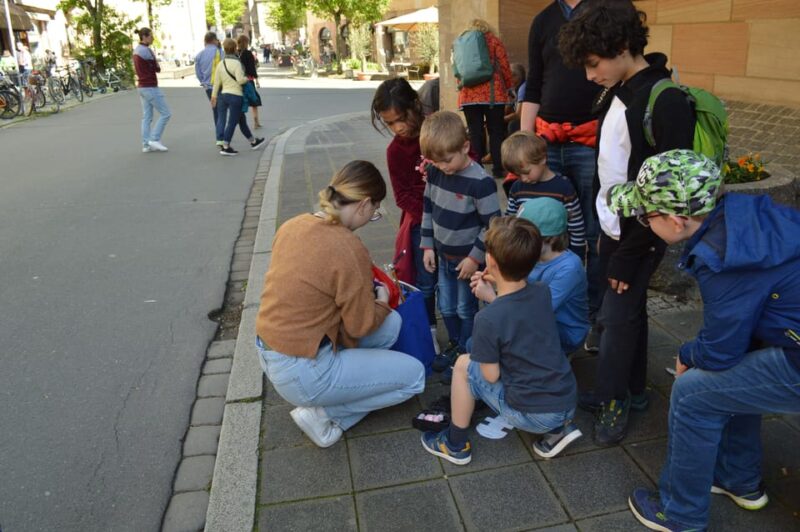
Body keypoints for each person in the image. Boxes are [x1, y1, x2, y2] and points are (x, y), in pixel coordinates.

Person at [602, 150, 800, 531]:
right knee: (737, 375)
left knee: (694, 393)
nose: (642, 222)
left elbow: (719, 350)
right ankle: (738, 479)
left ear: (677, 221)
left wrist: (687, 353)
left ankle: (681, 513)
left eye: (645, 216)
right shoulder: (743, 216)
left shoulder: (723, 258)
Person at [558, 0, 695, 445]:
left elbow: (661, 194)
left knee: (615, 317)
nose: (588, 74)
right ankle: (633, 391)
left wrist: (626, 254)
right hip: (616, 227)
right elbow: (613, 168)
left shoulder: (664, 99)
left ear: (621, 47)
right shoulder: (619, 90)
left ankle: (613, 398)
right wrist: (605, 234)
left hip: (640, 233)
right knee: (627, 311)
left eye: (593, 63)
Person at [255, 160, 426, 448]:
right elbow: (359, 324)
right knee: (415, 377)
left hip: (273, 351)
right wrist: (382, 302)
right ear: (364, 204)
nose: (371, 217)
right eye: (374, 213)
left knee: (392, 325)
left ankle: (336, 388)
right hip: (304, 370)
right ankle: (323, 414)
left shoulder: (293, 224)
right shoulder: (348, 245)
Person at [421, 216, 581, 464]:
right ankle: (556, 433)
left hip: (534, 414)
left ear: (490, 261)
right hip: (567, 402)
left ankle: (454, 443)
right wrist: (497, 291)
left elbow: (491, 376)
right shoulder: (542, 291)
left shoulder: (488, 318)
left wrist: (491, 299)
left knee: (464, 364)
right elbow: (518, 312)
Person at [520, 0, 603, 351]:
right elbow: (534, 84)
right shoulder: (542, 20)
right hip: (546, 142)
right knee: (542, 226)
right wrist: (524, 143)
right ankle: (545, 307)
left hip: (590, 138)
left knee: (593, 232)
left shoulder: (606, 9)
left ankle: (594, 317)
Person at [420, 111, 501, 366]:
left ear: (465, 147)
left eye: (447, 160)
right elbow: (428, 208)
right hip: (443, 254)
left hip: (467, 260)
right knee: (446, 305)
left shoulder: (481, 182)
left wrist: (473, 258)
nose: (443, 166)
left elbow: (493, 225)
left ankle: (466, 349)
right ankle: (455, 343)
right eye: (435, 161)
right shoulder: (434, 172)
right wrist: (427, 246)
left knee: (466, 307)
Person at [371, 79, 439, 352]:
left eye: (401, 119)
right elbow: (402, 196)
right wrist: (431, 219)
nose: (398, 128)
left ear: (415, 105)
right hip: (421, 221)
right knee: (425, 281)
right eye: (390, 124)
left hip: (457, 214)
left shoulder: (438, 130)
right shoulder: (395, 151)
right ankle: (429, 330)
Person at [472, 198, 589, 356]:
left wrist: (493, 298)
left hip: (563, 334)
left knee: (486, 345)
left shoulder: (569, 268)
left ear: (552, 238)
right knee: (477, 343)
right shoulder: (532, 254)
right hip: (537, 320)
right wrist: (497, 278)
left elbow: (534, 314)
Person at [502, 131, 586, 257]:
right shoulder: (517, 188)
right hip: (526, 256)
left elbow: (576, 225)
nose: (523, 178)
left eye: (526, 172)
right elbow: (510, 220)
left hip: (558, 256)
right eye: (518, 174)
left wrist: (577, 254)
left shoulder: (564, 188)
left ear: (542, 159)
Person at [457, 19, 513, 179]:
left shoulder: (462, 42)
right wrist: (509, 87)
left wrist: (461, 88)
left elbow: (458, 70)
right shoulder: (494, 41)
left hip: (468, 95)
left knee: (475, 132)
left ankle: (476, 167)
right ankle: (498, 168)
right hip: (493, 95)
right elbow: (504, 66)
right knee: (496, 131)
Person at [210, 38, 265, 156]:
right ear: (234, 49)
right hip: (235, 96)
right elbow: (240, 80)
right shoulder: (237, 63)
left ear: (224, 49)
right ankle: (226, 146)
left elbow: (216, 83)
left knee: (241, 121)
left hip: (223, 96)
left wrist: (213, 97)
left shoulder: (221, 64)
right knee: (232, 122)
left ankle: (253, 141)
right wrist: (247, 78)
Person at [133, 28, 171, 153]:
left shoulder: (136, 51)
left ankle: (146, 144)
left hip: (142, 86)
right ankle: (154, 139)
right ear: (144, 36)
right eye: (151, 36)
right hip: (150, 86)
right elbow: (157, 68)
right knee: (166, 113)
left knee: (147, 117)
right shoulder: (146, 51)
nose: (153, 38)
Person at [195, 31, 223, 136]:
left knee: (216, 110)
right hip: (221, 86)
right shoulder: (220, 52)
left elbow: (198, 73)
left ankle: (219, 133)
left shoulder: (199, 55)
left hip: (208, 87)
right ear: (214, 40)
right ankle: (222, 134)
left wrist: (204, 82)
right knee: (223, 111)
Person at [237, 35, 262, 129]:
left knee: (242, 101)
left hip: (238, 81)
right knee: (253, 101)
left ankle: (241, 123)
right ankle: (256, 121)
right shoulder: (248, 54)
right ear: (246, 43)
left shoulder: (235, 53)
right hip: (249, 80)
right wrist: (256, 80)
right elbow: (252, 68)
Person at [504, 63, 526, 134]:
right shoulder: (514, 89)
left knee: (513, 124)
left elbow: (518, 114)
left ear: (517, 77)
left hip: (527, 120)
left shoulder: (523, 88)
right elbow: (508, 109)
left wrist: (500, 119)